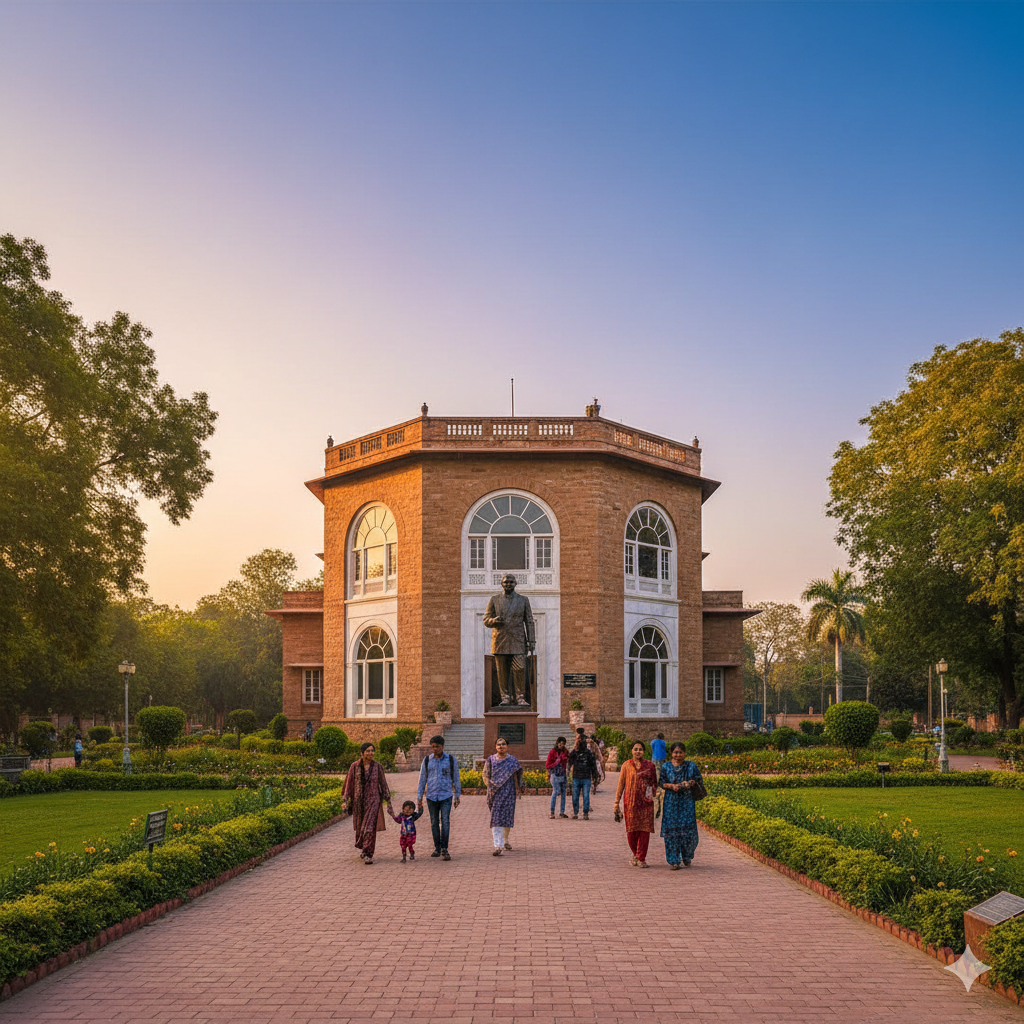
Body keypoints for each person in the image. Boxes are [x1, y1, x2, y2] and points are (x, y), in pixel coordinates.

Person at [341, 742, 391, 865]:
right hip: (358, 801)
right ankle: (364, 847)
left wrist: (388, 801)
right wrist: (345, 800)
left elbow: (383, 784)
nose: (370, 753)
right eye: (368, 751)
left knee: (369, 828)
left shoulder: (378, 767)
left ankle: (369, 853)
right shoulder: (354, 766)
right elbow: (349, 783)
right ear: (362, 753)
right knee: (360, 828)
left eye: (372, 750)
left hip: (373, 800)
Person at [613, 740, 659, 867]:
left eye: (640, 749)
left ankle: (641, 858)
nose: (638, 751)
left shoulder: (650, 766)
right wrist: (616, 802)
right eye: (635, 749)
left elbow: (654, 783)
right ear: (632, 751)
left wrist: (652, 793)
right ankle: (635, 854)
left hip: (646, 804)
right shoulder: (626, 765)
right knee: (631, 832)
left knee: (644, 831)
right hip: (630, 803)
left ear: (644, 751)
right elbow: (621, 784)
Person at [659, 742, 703, 869]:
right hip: (671, 803)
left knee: (688, 832)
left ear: (684, 753)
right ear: (671, 753)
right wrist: (672, 786)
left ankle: (687, 856)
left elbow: (698, 780)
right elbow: (661, 782)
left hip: (686, 803)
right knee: (672, 832)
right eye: (675, 752)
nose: (678, 755)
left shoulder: (691, 765)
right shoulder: (666, 766)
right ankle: (673, 860)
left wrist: (688, 783)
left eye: (680, 752)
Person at [417, 734, 461, 860]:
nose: (435, 749)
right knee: (434, 822)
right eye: (433, 747)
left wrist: (458, 795)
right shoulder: (427, 760)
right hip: (431, 796)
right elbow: (422, 779)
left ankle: (444, 848)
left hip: (446, 795)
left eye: (437, 746)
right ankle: (437, 847)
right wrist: (419, 797)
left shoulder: (451, 760)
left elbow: (456, 778)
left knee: (445, 822)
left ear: (442, 746)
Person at [483, 736, 524, 855]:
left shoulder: (512, 760)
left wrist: (520, 786)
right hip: (495, 793)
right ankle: (498, 846)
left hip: (509, 792)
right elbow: (485, 775)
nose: (501, 746)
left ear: (507, 746)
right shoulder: (490, 760)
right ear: (495, 747)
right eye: (499, 744)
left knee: (506, 817)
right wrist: (491, 787)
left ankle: (505, 841)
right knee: (496, 819)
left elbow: (518, 774)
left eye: (503, 744)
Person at [567, 732, 597, 820]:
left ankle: (585, 813)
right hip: (576, 777)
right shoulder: (574, 752)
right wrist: (567, 772)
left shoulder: (588, 753)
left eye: (581, 740)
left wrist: (595, 777)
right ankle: (575, 812)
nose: (580, 741)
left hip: (586, 777)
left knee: (586, 796)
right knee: (575, 796)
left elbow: (593, 765)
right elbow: (569, 762)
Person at [546, 736, 569, 818]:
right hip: (554, 775)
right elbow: (547, 765)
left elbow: (568, 760)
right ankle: (552, 812)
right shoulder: (552, 752)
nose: (561, 745)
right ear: (557, 743)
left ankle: (562, 812)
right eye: (560, 743)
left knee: (563, 793)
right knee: (555, 792)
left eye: (563, 744)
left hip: (562, 775)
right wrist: (556, 762)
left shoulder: (565, 752)